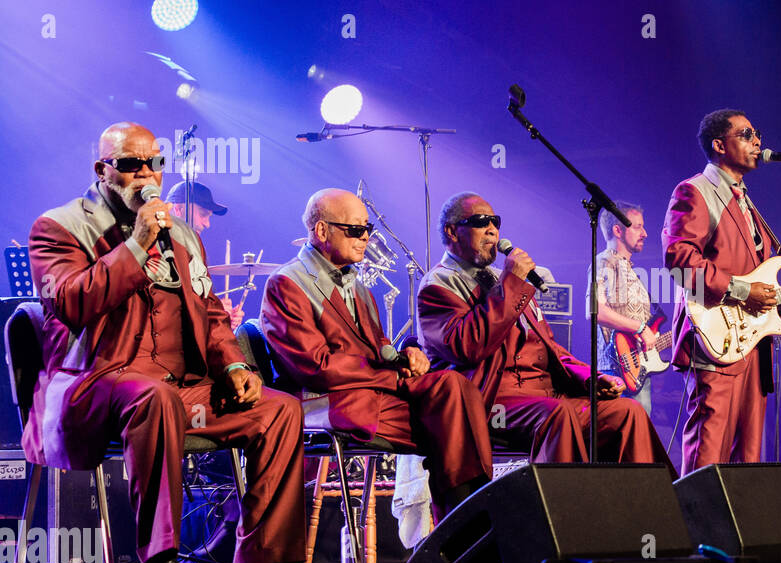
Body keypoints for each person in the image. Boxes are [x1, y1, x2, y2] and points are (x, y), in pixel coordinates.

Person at [26, 122, 317, 563]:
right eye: (131, 165)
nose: (146, 175)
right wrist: (137, 245)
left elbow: (210, 311)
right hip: (99, 382)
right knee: (153, 398)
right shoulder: (59, 227)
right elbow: (70, 303)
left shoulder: (181, 233)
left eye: (155, 163)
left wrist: (232, 367)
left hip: (179, 387)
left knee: (280, 410)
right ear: (103, 170)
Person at [261, 189, 493, 523]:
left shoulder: (360, 289)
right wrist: (390, 374)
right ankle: (467, 526)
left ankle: (464, 524)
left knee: (452, 385)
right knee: (453, 426)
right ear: (322, 231)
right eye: (355, 229)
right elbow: (315, 366)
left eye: (368, 228)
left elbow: (379, 348)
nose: (366, 236)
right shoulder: (287, 283)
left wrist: (405, 358)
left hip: (371, 392)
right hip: (327, 400)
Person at [418, 192, 671, 465]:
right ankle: (565, 506)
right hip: (493, 403)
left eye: (496, 221)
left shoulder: (502, 280)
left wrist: (590, 378)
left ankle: (644, 505)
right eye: (481, 221)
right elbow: (467, 346)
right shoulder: (439, 284)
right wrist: (511, 284)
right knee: (559, 414)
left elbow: (552, 349)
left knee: (627, 412)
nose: (492, 229)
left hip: (547, 397)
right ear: (452, 232)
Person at [662, 109, 781, 474]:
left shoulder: (748, 203)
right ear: (719, 145)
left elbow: (758, 280)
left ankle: (739, 531)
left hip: (751, 345)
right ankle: (695, 529)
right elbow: (679, 259)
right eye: (746, 134)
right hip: (714, 339)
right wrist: (744, 290)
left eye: (756, 133)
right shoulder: (695, 191)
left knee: (748, 459)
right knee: (708, 451)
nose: (757, 141)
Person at [589, 202, 657, 414]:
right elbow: (598, 311)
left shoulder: (629, 270)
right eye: (637, 227)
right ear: (617, 230)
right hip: (617, 371)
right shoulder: (603, 261)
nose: (645, 233)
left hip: (637, 370)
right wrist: (640, 328)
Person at [167, 180, 244, 328]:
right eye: (203, 214)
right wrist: (212, 310)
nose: (207, 224)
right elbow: (165, 308)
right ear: (178, 209)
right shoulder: (156, 247)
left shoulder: (194, 249)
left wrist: (221, 318)